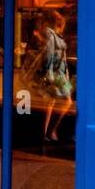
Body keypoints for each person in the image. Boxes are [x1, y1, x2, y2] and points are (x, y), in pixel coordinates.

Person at [34, 10, 73, 142]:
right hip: (56, 74)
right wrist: (49, 73)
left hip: (58, 72)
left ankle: (47, 132)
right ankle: (50, 131)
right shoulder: (52, 36)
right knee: (61, 101)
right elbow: (50, 55)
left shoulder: (53, 35)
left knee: (51, 102)